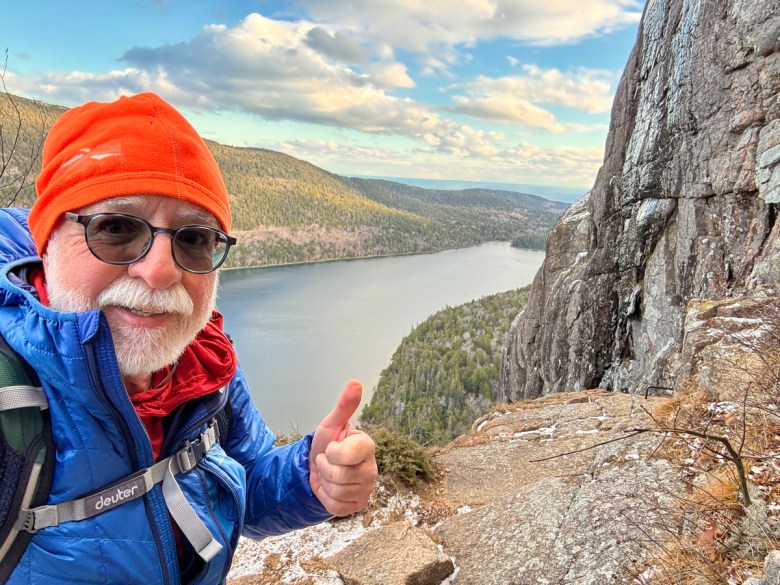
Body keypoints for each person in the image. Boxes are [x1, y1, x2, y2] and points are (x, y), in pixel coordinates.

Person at [0, 92, 377, 584]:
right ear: (47, 241)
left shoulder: (202, 361)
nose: (159, 272)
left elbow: (242, 479)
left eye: (194, 238)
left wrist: (310, 477)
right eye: (115, 227)